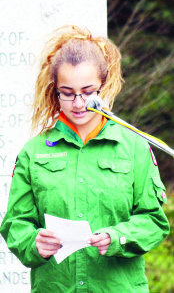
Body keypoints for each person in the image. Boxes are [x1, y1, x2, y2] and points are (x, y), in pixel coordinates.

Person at [0, 25, 170, 293]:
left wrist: (117, 237)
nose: (78, 103)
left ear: (104, 85)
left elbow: (154, 221)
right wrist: (33, 243)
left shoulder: (135, 147)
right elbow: (15, 224)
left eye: (88, 91)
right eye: (67, 93)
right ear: (55, 90)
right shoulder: (34, 152)